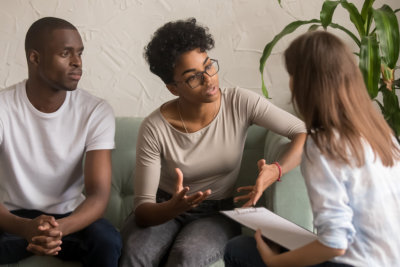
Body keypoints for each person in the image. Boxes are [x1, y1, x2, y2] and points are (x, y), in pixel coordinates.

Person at [119, 18, 307, 267]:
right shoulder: (155, 127)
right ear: (173, 88)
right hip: (163, 209)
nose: (209, 80)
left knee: (187, 257)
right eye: (193, 77)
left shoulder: (240, 102)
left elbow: (303, 132)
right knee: (135, 254)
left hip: (216, 213)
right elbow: (143, 210)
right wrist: (173, 208)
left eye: (209, 66)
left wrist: (276, 169)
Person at [224, 31, 400, 267]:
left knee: (238, 249)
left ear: (305, 83)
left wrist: (277, 262)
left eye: (293, 74)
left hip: (354, 262)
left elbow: (336, 243)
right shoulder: (380, 133)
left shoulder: (323, 146)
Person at [0, 17, 121, 266]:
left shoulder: (95, 111)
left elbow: (98, 194)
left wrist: (58, 230)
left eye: (79, 53)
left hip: (71, 218)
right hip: (11, 219)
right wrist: (25, 229)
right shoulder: (3, 107)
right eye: (66, 53)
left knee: (108, 243)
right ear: (35, 58)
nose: (77, 62)